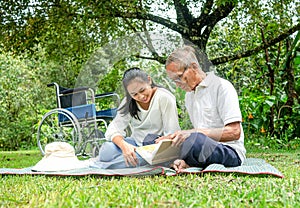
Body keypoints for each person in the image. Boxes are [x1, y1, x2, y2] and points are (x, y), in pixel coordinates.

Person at [161, 45, 246, 172]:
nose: (177, 84)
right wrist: (172, 138)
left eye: (179, 77)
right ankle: (184, 162)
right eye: (174, 80)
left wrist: (194, 133)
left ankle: (183, 160)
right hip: (203, 148)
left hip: (229, 151)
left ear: (194, 67)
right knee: (153, 140)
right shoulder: (189, 96)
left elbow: (234, 132)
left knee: (196, 141)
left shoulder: (222, 87)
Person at [92, 67, 181, 169]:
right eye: (134, 94)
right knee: (106, 150)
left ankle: (104, 166)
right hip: (135, 145)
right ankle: (135, 161)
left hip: (156, 147)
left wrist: (160, 146)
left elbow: (172, 132)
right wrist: (124, 147)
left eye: (142, 90)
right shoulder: (128, 102)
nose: (141, 96)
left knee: (140, 158)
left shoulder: (164, 97)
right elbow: (113, 130)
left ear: (149, 80)